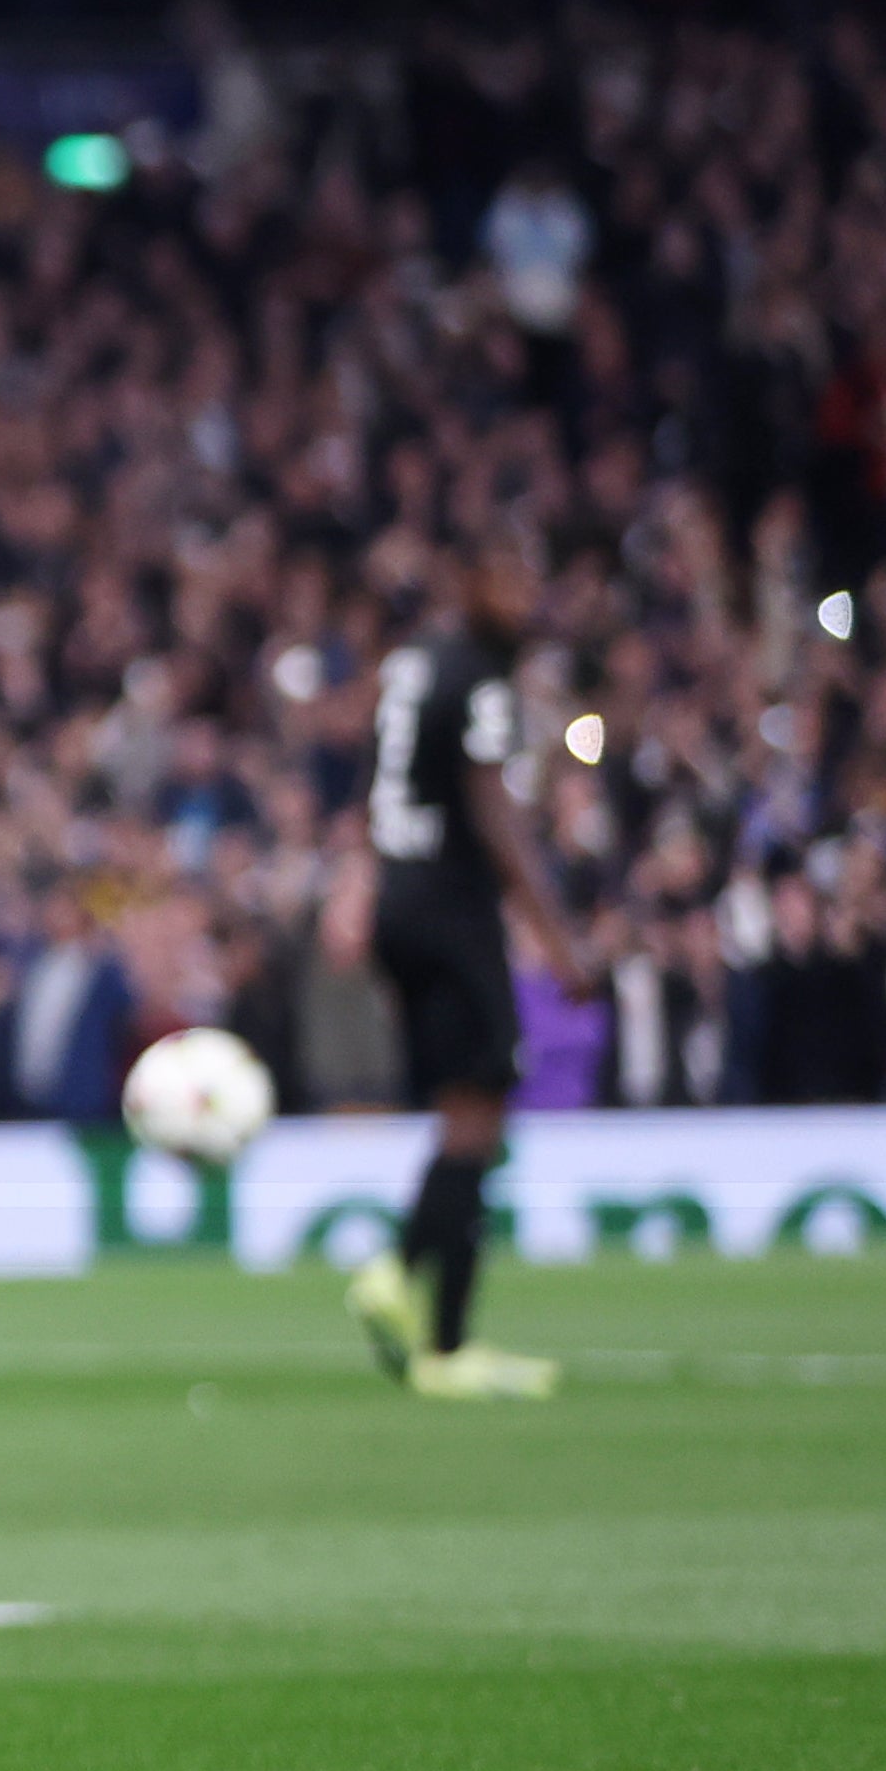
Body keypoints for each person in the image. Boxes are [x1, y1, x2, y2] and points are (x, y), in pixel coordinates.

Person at [344, 551, 569, 1399]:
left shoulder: (408, 665)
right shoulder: (478, 678)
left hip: (397, 903)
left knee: (463, 1113)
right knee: (481, 1106)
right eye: (510, 580)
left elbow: (376, 783)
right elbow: (489, 808)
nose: (525, 598)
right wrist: (557, 937)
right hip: (450, 908)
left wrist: (357, 885)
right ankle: (405, 1281)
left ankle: (444, 1346)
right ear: (469, 585)